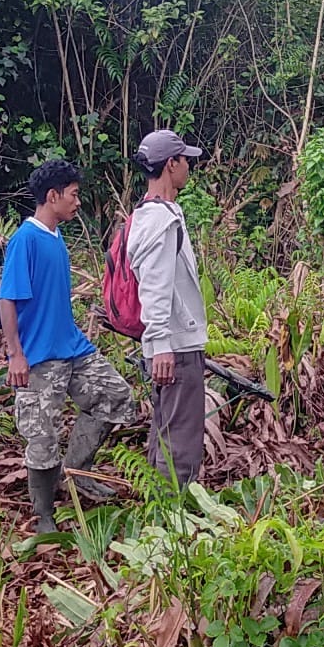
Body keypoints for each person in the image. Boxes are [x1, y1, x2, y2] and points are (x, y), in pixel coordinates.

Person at [0, 159, 135, 532]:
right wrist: (16, 355)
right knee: (42, 434)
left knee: (116, 397)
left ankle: (75, 472)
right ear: (53, 195)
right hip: (40, 356)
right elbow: (7, 299)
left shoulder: (57, 238)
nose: (78, 202)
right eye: (73, 195)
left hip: (73, 348)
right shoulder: (25, 239)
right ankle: (43, 513)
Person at [128, 129, 208, 486]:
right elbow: (156, 286)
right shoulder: (161, 221)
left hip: (169, 341)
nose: (189, 166)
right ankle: (176, 514)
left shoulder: (148, 214)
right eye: (185, 160)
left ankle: (158, 501)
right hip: (175, 344)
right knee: (182, 436)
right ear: (170, 164)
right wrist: (162, 345)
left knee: (166, 425)